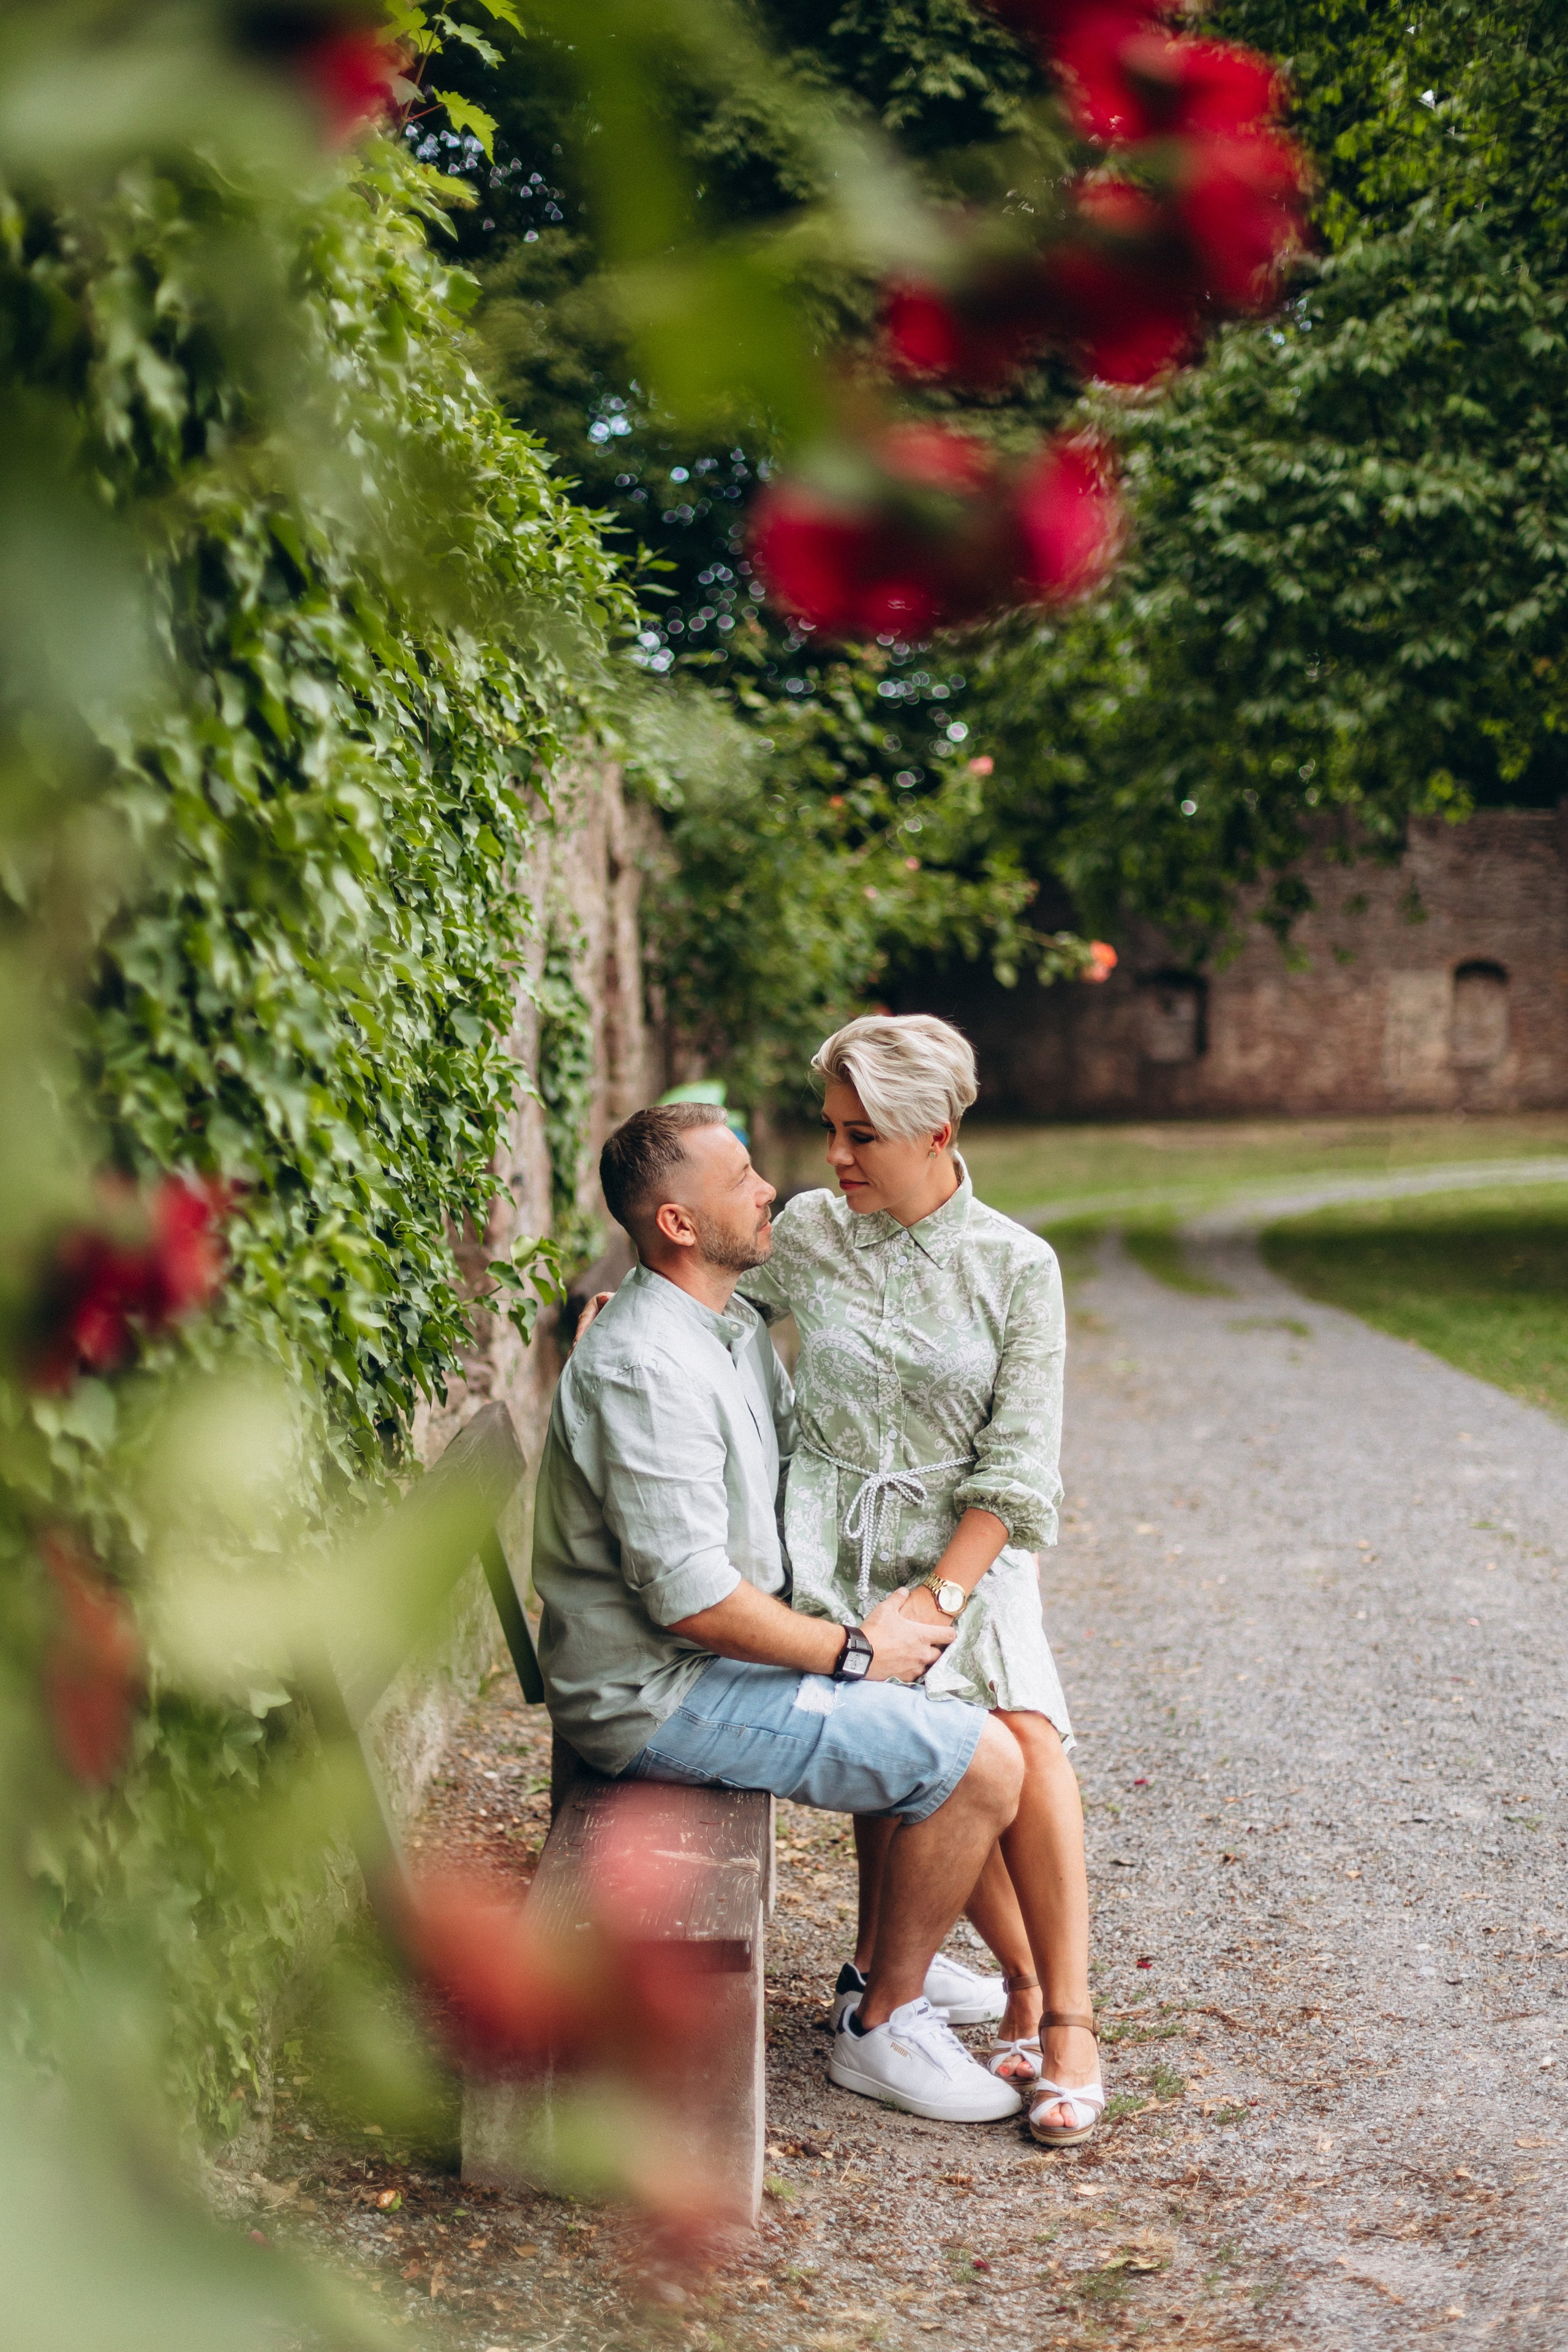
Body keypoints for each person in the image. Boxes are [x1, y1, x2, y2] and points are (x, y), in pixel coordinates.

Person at [532, 1099, 1028, 2124]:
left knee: (935, 1702)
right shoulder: (644, 1365)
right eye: (745, 1177)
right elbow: (691, 1602)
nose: (773, 1193)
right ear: (677, 1224)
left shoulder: (725, 1325)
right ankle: (879, 2028)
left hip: (703, 1666)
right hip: (656, 1696)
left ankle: (894, 1966)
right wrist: (857, 1649)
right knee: (982, 1763)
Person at [736, 1014, 1102, 2148]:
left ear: (936, 1134)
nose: (835, 1157)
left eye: (862, 1137)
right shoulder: (809, 1232)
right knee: (937, 1738)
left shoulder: (1016, 1266)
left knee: (1026, 1733)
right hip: (836, 1553)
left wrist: (945, 1595)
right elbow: (722, 1308)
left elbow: (1019, 1466)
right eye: (831, 1131)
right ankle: (988, 1983)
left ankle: (1063, 2015)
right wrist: (626, 1313)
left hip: (972, 1546)